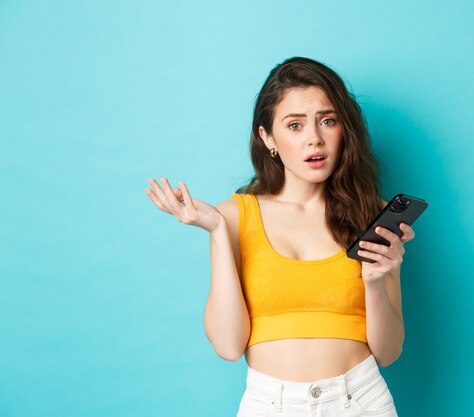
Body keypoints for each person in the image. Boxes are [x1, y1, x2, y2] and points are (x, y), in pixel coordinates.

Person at [145, 56, 415, 416]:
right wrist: (218, 232)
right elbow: (228, 345)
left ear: (343, 130)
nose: (314, 139)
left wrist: (374, 282)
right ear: (268, 137)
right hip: (270, 404)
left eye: (328, 121)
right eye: (295, 125)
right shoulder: (233, 216)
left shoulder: (374, 216)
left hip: (361, 400)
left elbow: (388, 352)